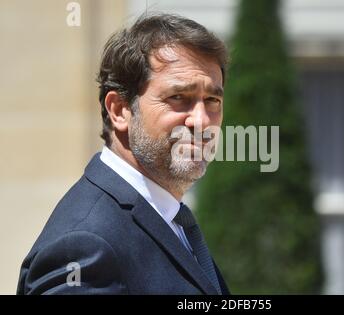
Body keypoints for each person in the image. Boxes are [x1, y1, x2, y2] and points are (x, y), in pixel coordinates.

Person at [17, 13, 229, 295]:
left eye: (212, 100)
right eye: (178, 97)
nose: (201, 121)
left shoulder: (171, 219)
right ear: (119, 110)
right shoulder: (84, 245)